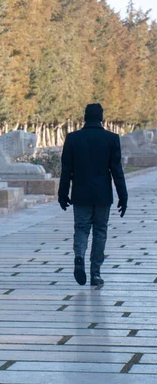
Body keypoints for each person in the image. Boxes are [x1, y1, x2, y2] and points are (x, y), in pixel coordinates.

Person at [58, 103, 128, 286]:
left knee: (81, 228)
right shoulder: (111, 139)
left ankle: (79, 256)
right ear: (101, 118)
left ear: (85, 117)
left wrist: (62, 193)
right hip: (102, 194)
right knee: (100, 231)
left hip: (81, 193)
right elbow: (116, 170)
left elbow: (66, 170)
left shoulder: (73, 138)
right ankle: (95, 273)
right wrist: (123, 195)